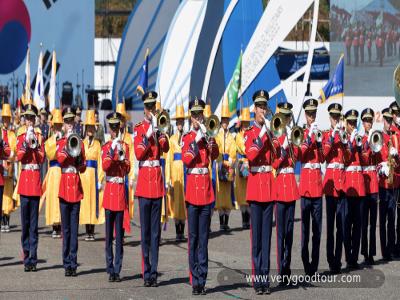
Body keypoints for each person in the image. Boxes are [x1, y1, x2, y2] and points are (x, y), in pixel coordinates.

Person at [181, 97, 219, 295]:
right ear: (190, 116)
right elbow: (187, 159)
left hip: (205, 192)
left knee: (204, 239)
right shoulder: (187, 137)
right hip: (192, 192)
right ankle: (194, 279)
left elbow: (216, 154)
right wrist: (196, 139)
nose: (198, 117)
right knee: (193, 238)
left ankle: (202, 279)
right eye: (195, 114)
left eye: (200, 114)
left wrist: (210, 137)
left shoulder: (208, 134)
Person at [245, 90, 279, 295]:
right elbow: (250, 155)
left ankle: (265, 280)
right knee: (256, 239)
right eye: (260, 107)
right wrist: (261, 134)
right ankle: (258, 280)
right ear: (254, 109)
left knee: (266, 238)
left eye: (265, 107)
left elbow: (276, 160)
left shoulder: (270, 132)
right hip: (256, 187)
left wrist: (277, 139)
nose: (263, 111)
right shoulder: (250, 132)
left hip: (268, 187)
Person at [133, 91, 169, 287]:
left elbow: (166, 148)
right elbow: (139, 153)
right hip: (145, 184)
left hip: (156, 184)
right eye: (148, 108)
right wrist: (148, 134)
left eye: (153, 107)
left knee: (156, 233)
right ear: (144, 109)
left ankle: (153, 272)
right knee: (145, 232)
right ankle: (146, 271)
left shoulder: (158, 127)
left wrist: (159, 131)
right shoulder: (139, 129)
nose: (150, 110)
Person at [56, 107, 86, 277]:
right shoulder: (61, 141)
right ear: (64, 124)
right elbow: (60, 160)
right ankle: (66, 261)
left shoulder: (79, 141)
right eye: (66, 122)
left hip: (75, 187)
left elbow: (82, 168)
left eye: (71, 121)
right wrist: (67, 143)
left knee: (74, 229)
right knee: (65, 229)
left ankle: (73, 263)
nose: (69, 124)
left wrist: (80, 157)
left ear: (74, 123)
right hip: (64, 187)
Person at [272, 102, 299, 283]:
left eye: (288, 116)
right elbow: (274, 163)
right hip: (280, 186)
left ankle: (287, 267)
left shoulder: (291, 136)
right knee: (280, 232)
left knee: (289, 232)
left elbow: (295, 159)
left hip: (291, 186)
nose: (286, 119)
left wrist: (291, 140)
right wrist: (283, 147)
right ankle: (281, 269)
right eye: (284, 116)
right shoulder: (275, 137)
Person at [102, 112, 130, 282]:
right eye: (112, 128)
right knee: (108, 235)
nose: (114, 130)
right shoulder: (106, 147)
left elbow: (127, 168)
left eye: (116, 127)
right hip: (109, 191)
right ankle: (109, 266)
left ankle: (117, 269)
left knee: (119, 236)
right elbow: (105, 166)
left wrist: (121, 155)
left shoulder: (125, 146)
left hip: (119, 191)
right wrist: (113, 151)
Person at [16, 104, 44, 272]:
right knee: (25, 224)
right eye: (27, 118)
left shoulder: (39, 135)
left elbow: (41, 158)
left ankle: (33, 258)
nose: (29, 120)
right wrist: (26, 143)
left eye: (31, 118)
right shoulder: (20, 135)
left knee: (33, 224)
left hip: (34, 182)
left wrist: (35, 144)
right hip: (25, 180)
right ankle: (26, 256)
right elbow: (19, 156)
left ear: (34, 119)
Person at [299, 98, 324, 276]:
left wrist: (320, 141)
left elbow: (322, 159)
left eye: (314, 114)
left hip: (317, 186)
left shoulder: (319, 133)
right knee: (305, 230)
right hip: (306, 187)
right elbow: (300, 154)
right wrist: (309, 136)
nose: (311, 117)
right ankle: (305, 262)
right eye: (309, 114)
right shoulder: (300, 132)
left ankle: (314, 266)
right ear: (305, 115)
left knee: (317, 230)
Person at [322, 103, 346, 273]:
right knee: (330, 226)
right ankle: (331, 259)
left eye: (338, 116)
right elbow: (323, 155)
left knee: (342, 225)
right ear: (330, 117)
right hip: (331, 184)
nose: (336, 119)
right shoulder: (325, 134)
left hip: (342, 183)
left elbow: (349, 156)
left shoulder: (344, 135)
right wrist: (333, 136)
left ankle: (338, 259)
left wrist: (345, 139)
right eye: (334, 117)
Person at [342, 109, 366, 269]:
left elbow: (365, 159)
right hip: (348, 185)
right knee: (346, 224)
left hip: (360, 186)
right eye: (350, 122)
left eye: (354, 122)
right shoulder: (344, 138)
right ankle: (348, 256)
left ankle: (354, 258)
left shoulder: (362, 139)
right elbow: (344, 158)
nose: (352, 125)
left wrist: (360, 145)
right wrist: (350, 141)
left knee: (358, 225)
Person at [376, 108, 400, 261]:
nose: (388, 123)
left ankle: (391, 249)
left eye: (390, 120)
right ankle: (384, 250)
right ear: (383, 120)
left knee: (392, 218)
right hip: (382, 183)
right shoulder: (378, 136)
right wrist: (381, 167)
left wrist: (396, 157)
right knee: (383, 218)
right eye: (386, 120)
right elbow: (374, 157)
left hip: (393, 183)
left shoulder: (396, 137)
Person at [79, 110, 104, 241]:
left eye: (91, 127)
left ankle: (92, 230)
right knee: (85, 202)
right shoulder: (81, 143)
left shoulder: (98, 144)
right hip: (83, 174)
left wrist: (100, 179)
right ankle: (86, 229)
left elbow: (100, 162)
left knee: (93, 201)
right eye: (87, 127)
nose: (89, 129)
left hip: (93, 175)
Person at [360, 108, 379, 265]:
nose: (368, 123)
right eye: (366, 121)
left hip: (374, 184)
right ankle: (364, 251)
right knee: (364, 222)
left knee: (373, 222)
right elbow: (363, 158)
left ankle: (371, 252)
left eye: (370, 121)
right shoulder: (360, 139)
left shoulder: (375, 138)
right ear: (362, 122)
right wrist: (368, 141)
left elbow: (378, 156)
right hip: (364, 183)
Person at [166, 104, 187, 241]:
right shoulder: (172, 139)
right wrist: (168, 178)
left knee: (184, 200)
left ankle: (182, 231)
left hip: (185, 171)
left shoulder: (187, 137)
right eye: (178, 122)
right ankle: (177, 230)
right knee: (175, 200)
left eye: (181, 121)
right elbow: (168, 159)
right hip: (175, 171)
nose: (179, 124)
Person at [215, 102, 236, 231]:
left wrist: (230, 162)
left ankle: (226, 222)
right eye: (223, 120)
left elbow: (233, 151)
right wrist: (219, 162)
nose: (225, 122)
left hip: (228, 165)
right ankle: (221, 221)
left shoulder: (231, 137)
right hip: (219, 165)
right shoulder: (217, 135)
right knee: (220, 193)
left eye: (226, 120)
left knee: (227, 193)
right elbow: (215, 149)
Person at [43, 109, 63, 238]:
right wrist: (55, 141)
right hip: (53, 172)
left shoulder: (65, 139)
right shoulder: (49, 140)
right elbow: (50, 154)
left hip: (62, 171)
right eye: (55, 126)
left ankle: (60, 224)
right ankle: (54, 226)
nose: (57, 128)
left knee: (61, 197)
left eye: (59, 126)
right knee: (52, 198)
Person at [235, 107, 252, 229]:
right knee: (243, 191)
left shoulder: (250, 134)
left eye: (247, 123)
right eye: (244, 123)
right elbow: (243, 148)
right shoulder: (239, 136)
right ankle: (244, 219)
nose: (246, 126)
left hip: (249, 161)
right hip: (243, 162)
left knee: (249, 189)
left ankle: (249, 218)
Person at [1, 103, 17, 232]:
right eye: (4, 118)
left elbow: (14, 150)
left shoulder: (12, 134)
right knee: (2, 193)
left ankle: (7, 219)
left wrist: (10, 156)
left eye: (8, 118)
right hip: (1, 167)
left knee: (8, 194)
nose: (6, 120)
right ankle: (2, 218)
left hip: (9, 166)